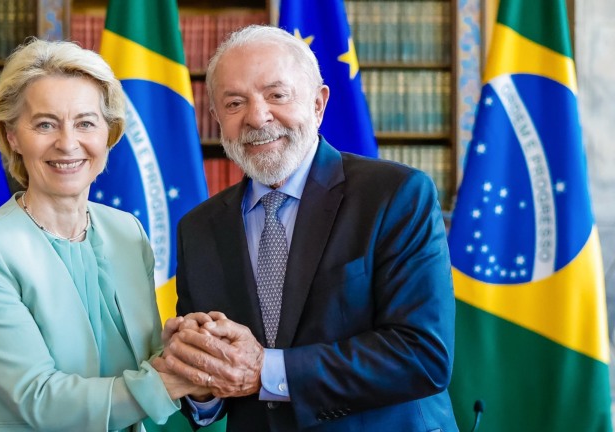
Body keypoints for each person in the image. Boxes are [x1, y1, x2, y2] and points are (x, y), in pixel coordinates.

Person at [156, 25, 458, 431]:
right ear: (216, 119)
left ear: (318, 104)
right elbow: (213, 398)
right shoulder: (198, 228)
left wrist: (266, 369)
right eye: (234, 103)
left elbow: (423, 356)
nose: (257, 116)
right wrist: (200, 376)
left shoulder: (396, 195)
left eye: (277, 95)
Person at [0, 39, 202, 432]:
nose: (68, 143)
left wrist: (186, 350)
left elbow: (137, 364)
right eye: (45, 124)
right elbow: (38, 399)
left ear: (109, 134)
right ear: (12, 135)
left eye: (85, 122)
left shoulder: (126, 232)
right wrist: (172, 380)